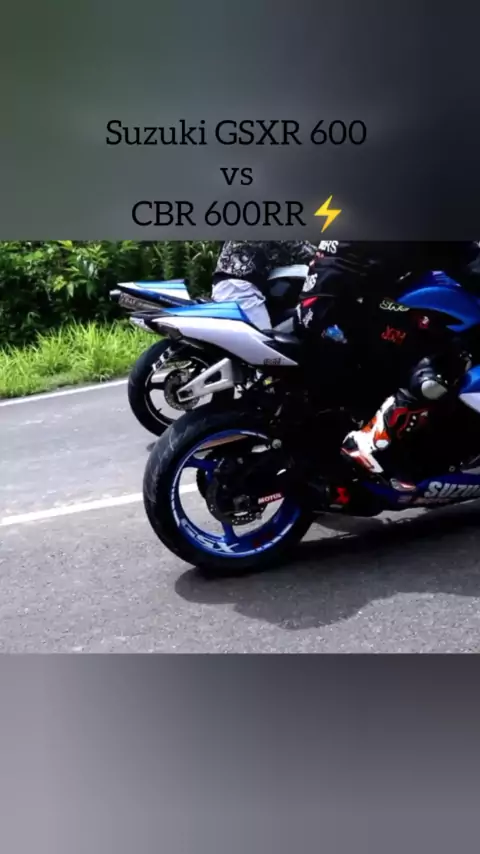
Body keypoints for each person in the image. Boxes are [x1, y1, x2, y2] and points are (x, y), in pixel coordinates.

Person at [295, 240, 480, 490]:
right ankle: (371, 443)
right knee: (446, 358)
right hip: (341, 309)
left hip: (326, 302)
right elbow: (459, 254)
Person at [212, 240, 317, 329]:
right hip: (239, 288)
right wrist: (322, 256)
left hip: (242, 286)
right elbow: (292, 243)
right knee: (263, 343)